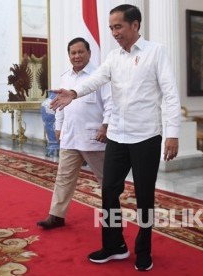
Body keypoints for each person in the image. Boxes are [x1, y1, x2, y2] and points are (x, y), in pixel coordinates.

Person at [50, 4, 181, 272]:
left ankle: (144, 250)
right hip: (118, 136)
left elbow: (170, 94)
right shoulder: (113, 58)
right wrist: (73, 93)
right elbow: (95, 80)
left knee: (144, 196)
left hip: (146, 137)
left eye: (118, 26)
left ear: (135, 25)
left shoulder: (156, 52)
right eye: (111, 27)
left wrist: (173, 134)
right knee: (109, 190)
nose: (114, 32)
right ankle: (114, 246)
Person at [37, 37, 113, 230]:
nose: (77, 56)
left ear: (89, 53)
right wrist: (58, 127)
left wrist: (106, 126)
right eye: (73, 52)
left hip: (94, 137)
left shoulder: (99, 76)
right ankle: (56, 215)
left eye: (81, 52)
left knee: (107, 180)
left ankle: (111, 219)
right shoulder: (65, 77)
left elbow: (111, 104)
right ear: (69, 55)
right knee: (63, 177)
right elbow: (61, 105)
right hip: (70, 137)